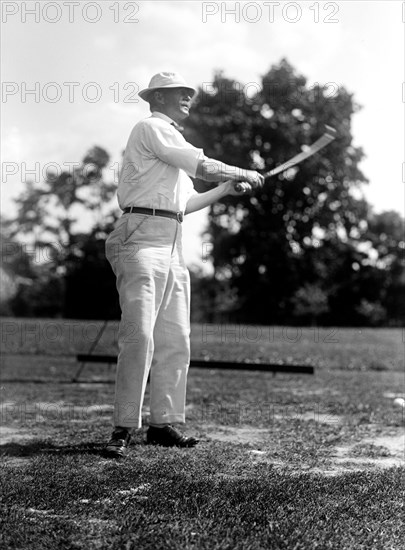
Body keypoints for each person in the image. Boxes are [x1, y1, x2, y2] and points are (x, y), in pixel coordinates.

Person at [104, 72, 264, 458]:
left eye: (190, 93)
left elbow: (186, 204)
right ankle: (124, 426)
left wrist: (226, 189)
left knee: (176, 338)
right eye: (181, 93)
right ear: (157, 97)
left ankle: (162, 424)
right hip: (139, 237)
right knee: (140, 335)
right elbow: (203, 165)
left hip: (171, 241)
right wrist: (239, 172)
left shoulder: (170, 140)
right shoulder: (151, 127)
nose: (189, 98)